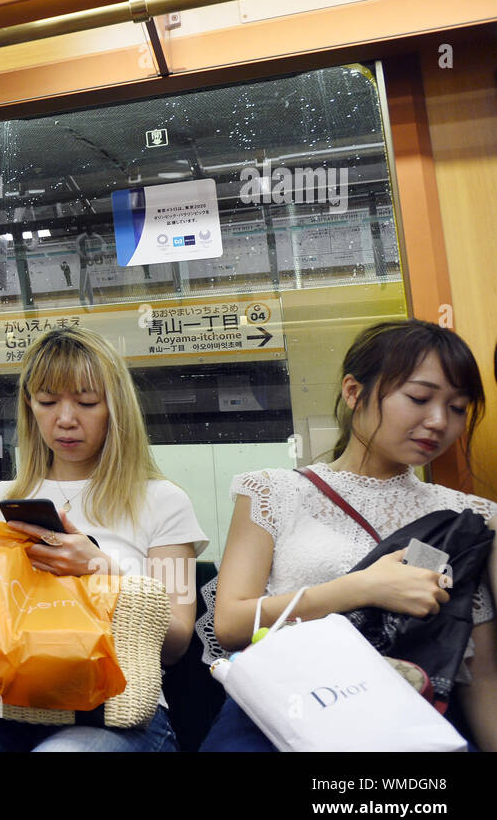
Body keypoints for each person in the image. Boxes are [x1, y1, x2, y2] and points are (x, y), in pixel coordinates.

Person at [0, 325, 206, 752]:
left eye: (86, 402)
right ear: (30, 407)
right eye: (47, 402)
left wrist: (100, 569)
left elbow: (176, 640)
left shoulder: (163, 501)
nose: (65, 419)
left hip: (113, 709)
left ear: (115, 408)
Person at [200, 320, 497, 751]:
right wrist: (363, 588)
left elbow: (481, 672)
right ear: (354, 391)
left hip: (404, 722)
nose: (438, 421)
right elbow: (231, 624)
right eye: (418, 398)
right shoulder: (274, 491)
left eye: (457, 408)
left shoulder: (470, 517)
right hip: (293, 713)